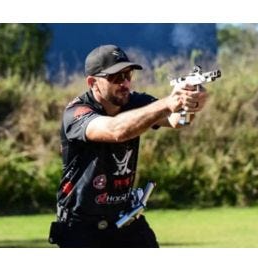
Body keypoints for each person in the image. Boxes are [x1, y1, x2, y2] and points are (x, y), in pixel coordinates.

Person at [49, 44, 208, 248]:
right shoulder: (77, 112)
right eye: (115, 77)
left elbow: (177, 121)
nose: (124, 83)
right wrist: (168, 102)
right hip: (82, 229)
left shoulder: (135, 101)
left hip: (126, 221)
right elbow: (116, 131)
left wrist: (190, 101)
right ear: (92, 82)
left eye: (128, 75)